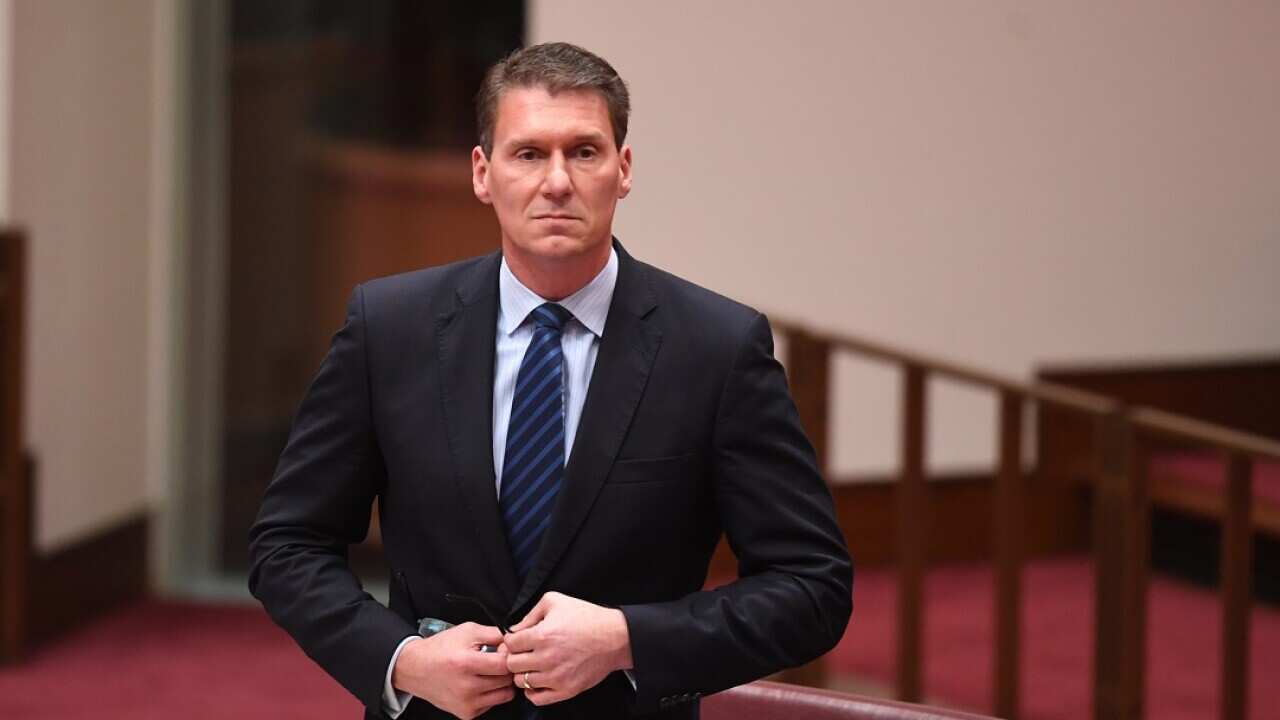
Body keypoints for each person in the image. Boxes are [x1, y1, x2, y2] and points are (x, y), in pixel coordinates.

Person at [248, 42, 852, 720]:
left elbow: (813, 587)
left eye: (584, 152)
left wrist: (626, 640)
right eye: (529, 154)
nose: (557, 182)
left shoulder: (717, 347)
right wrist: (402, 660)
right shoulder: (389, 328)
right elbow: (287, 545)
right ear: (483, 173)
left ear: (624, 170)